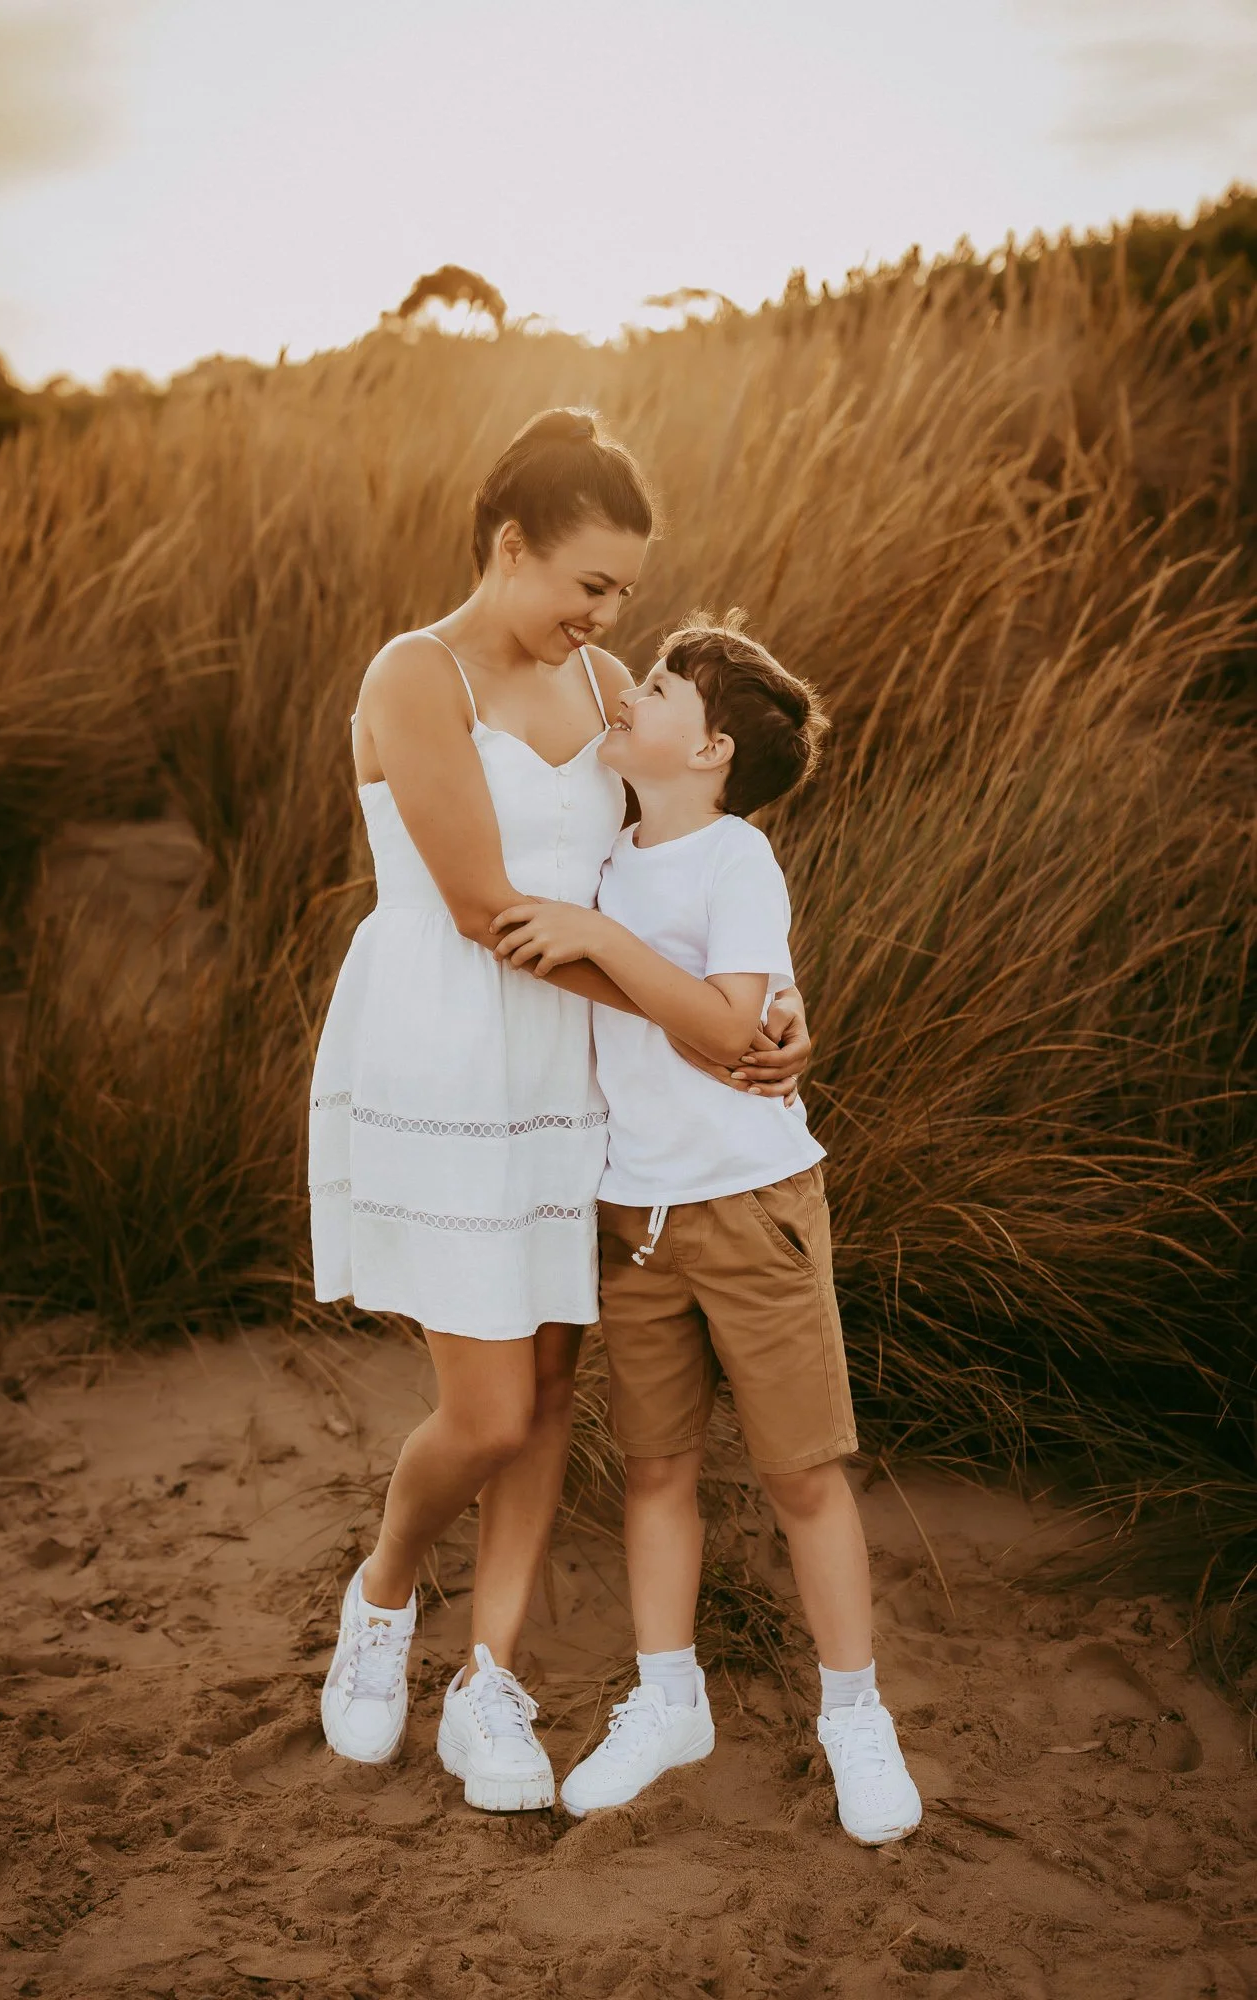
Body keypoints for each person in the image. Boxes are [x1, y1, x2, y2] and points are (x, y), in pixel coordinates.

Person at [308, 413, 813, 1812]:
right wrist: (709, 1030)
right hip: (448, 1051)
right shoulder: (414, 675)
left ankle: (491, 1680)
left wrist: (767, 1007)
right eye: (586, 582)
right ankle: (382, 1597)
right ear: (508, 543)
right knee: (478, 1408)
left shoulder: (606, 689)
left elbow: (659, 879)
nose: (604, 616)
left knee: (544, 1389)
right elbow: (489, 912)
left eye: (624, 597)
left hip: (576, 1069)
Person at [493, 613, 922, 1845]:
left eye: (666, 683)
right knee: (657, 1466)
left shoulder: (734, 858)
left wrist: (610, 943)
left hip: (750, 1207)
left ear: (714, 748)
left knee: (800, 1472)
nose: (637, 687)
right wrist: (596, 925)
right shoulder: (607, 856)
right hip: (635, 1215)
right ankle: (668, 1693)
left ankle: (853, 1710)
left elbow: (738, 1027)